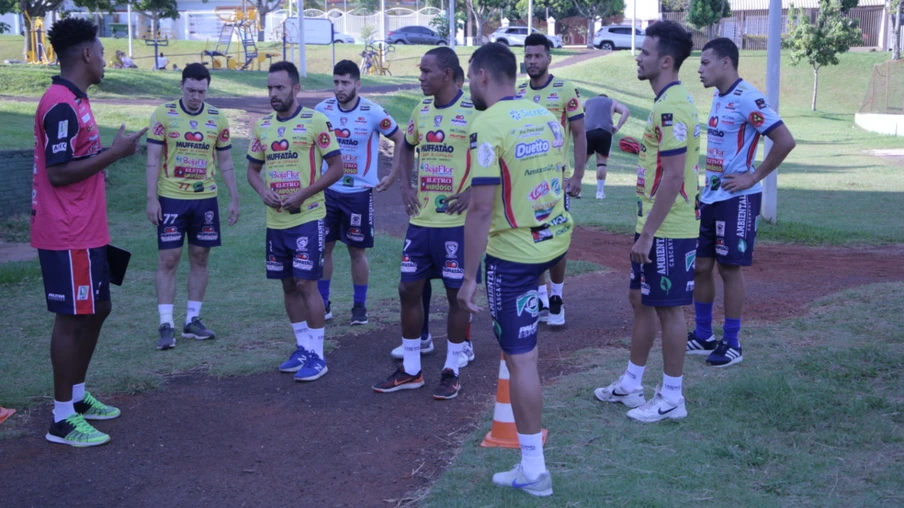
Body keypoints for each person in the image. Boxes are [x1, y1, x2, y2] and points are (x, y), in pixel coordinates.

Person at [459, 42, 571, 497]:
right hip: (554, 240)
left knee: (520, 359)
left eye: (470, 77)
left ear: (483, 75)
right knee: (526, 353)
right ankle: (530, 464)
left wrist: (469, 278)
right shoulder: (541, 114)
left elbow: (482, 210)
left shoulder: (487, 123)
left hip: (515, 255)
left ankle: (534, 469)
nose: (469, 85)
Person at [32, 18, 146, 447]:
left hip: (88, 230)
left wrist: (106, 154)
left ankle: (77, 399)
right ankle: (61, 420)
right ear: (85, 54)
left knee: (98, 310)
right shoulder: (60, 102)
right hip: (67, 233)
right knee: (72, 318)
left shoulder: (77, 100)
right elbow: (59, 173)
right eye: (100, 51)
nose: (104, 59)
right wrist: (114, 155)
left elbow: (76, 160)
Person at [593, 20, 700, 422]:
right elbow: (669, 164)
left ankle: (672, 398)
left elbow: (674, 177)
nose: (638, 57)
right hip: (654, 225)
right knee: (640, 301)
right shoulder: (664, 103)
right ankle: (632, 384)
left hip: (667, 229)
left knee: (670, 310)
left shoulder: (673, 105)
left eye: (645, 52)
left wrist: (649, 234)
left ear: (666, 61)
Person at [373, 47, 479, 400]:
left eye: (425, 71)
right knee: (408, 289)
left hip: (457, 223)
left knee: (456, 298)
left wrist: (472, 192)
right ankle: (412, 370)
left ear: (447, 74)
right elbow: (405, 145)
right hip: (422, 221)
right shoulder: (421, 110)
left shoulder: (474, 112)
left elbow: (496, 156)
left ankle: (451, 369)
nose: (420, 77)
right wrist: (404, 184)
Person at [688, 38, 796, 366]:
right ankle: (704, 335)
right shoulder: (719, 98)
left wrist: (753, 176)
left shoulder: (747, 97)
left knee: (729, 269)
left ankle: (732, 342)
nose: (700, 69)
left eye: (706, 62)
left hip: (738, 198)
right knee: (702, 266)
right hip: (711, 196)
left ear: (726, 63)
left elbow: (785, 140)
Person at [246, 61, 344, 382]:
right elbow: (252, 171)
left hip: (308, 218)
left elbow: (336, 168)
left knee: (306, 284)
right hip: (276, 221)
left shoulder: (316, 121)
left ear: (296, 89)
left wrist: (304, 194)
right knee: (288, 285)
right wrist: (262, 192)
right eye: (270, 88)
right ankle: (302, 347)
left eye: (280, 88)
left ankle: (318, 355)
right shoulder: (262, 127)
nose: (273, 94)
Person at [146, 63, 241, 350]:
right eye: (191, 90)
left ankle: (192, 320)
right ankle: (166, 324)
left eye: (201, 91)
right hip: (172, 197)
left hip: (205, 199)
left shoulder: (217, 118)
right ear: (181, 86)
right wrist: (152, 198)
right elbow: (152, 159)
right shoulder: (164, 114)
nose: (196, 96)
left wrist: (234, 197)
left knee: (200, 257)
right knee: (169, 259)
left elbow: (225, 161)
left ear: (207, 90)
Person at [313, 60, 406, 325]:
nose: (339, 88)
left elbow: (400, 138)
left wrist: (393, 174)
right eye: (336, 82)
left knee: (357, 251)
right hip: (328, 191)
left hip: (359, 194)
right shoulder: (322, 110)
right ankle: (324, 303)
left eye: (345, 82)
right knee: (325, 248)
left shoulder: (373, 112)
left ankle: (359, 306)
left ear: (357, 84)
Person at [517, 33, 586, 327]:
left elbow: (580, 134)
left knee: (556, 240)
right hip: (526, 182)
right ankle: (541, 299)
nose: (532, 61)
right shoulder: (518, 92)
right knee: (531, 239)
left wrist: (578, 176)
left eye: (538, 56)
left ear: (548, 58)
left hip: (556, 183)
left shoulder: (564, 88)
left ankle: (557, 299)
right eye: (528, 56)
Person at [583, 93, 630, 199]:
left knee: (582, 161)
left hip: (588, 132)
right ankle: (599, 193)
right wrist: (618, 127)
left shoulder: (587, 102)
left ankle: (577, 189)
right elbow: (626, 111)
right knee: (601, 163)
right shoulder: (612, 102)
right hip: (605, 132)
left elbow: (575, 112)